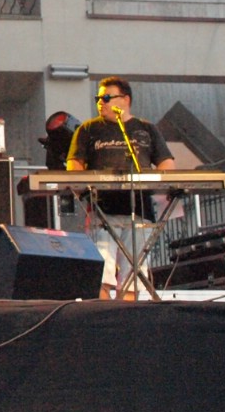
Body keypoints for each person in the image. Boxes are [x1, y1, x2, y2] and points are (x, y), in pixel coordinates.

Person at [66, 76, 175, 299]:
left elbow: (166, 163)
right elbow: (74, 163)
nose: (100, 102)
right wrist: (80, 187)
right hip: (102, 210)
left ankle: (127, 316)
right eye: (98, 98)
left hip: (140, 211)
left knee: (134, 278)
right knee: (101, 275)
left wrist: (158, 181)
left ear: (125, 100)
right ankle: (104, 315)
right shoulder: (89, 129)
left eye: (106, 98)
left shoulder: (146, 129)